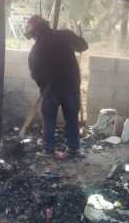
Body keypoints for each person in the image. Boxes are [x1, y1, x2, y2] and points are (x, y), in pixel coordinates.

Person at [25, 15, 88, 159]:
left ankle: (48, 150)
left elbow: (34, 72)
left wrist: (43, 86)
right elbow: (83, 46)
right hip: (71, 86)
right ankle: (74, 149)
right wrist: (76, 36)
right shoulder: (65, 35)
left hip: (51, 88)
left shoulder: (36, 49)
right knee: (72, 118)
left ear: (35, 33)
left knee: (49, 120)